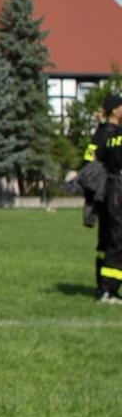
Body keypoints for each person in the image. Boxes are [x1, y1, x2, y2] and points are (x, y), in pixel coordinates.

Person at [88, 93, 122, 303]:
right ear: (116, 110)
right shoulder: (115, 134)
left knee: (106, 240)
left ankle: (103, 287)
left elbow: (88, 158)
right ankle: (109, 290)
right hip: (117, 189)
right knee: (117, 241)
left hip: (105, 191)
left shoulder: (101, 134)